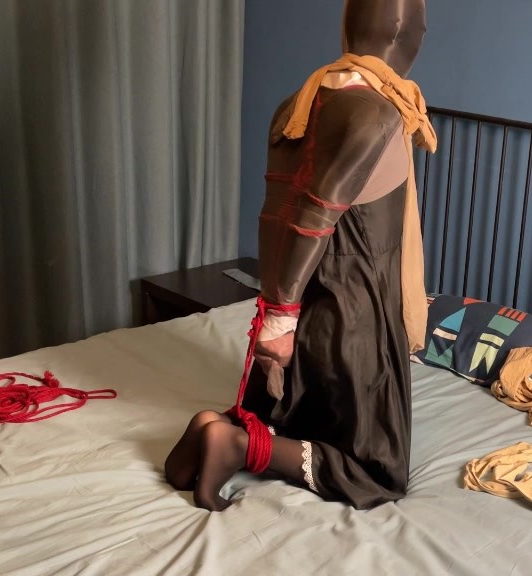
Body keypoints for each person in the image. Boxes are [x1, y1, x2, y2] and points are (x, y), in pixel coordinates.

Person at [163, 0, 436, 512]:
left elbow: (275, 216)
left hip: (297, 300)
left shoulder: (299, 102)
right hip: (353, 310)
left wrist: (276, 312)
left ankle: (212, 427)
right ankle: (237, 444)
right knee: (377, 472)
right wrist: (282, 317)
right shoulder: (379, 113)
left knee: (297, 416)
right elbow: (315, 215)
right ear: (406, 34)